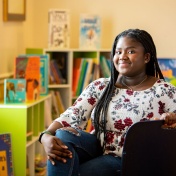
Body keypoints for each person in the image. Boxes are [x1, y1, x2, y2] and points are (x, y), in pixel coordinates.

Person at [39, 28, 176, 176]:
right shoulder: (101, 86)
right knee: (62, 136)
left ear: (146, 57)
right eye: (118, 52)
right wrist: (45, 136)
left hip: (134, 158)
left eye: (130, 52)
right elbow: (73, 114)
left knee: (77, 172)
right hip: (99, 147)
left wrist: (171, 120)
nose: (122, 56)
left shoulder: (164, 91)